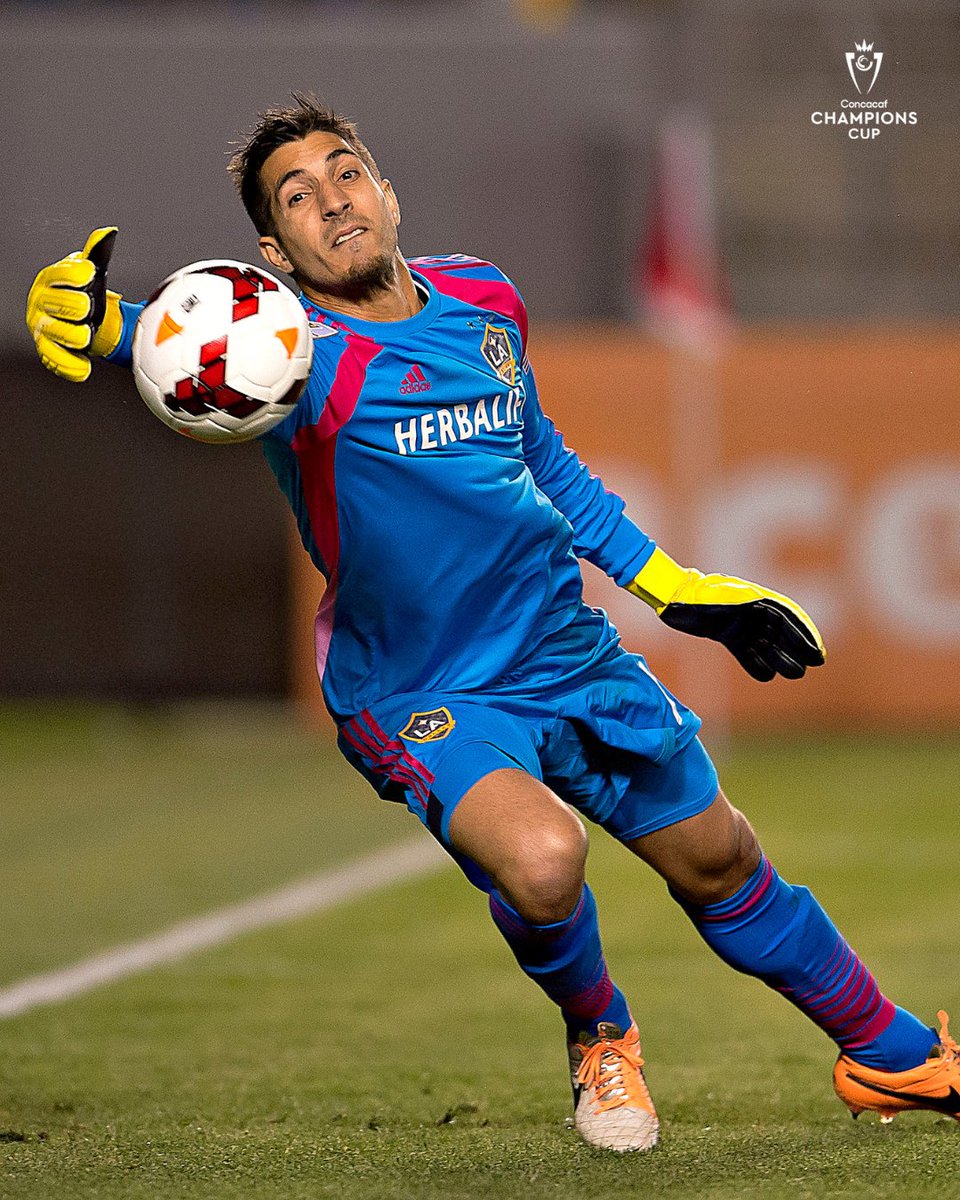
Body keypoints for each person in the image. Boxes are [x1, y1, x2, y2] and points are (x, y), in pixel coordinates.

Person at [26, 94, 959, 1153]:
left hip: (563, 651)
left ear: (387, 191)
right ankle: (600, 1033)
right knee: (546, 861)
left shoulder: (483, 297)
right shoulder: (292, 359)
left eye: (345, 172)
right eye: (297, 196)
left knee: (720, 858)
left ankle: (896, 1059)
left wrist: (672, 587)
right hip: (420, 687)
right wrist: (109, 327)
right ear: (273, 254)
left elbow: (542, 458)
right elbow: (189, 342)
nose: (332, 201)